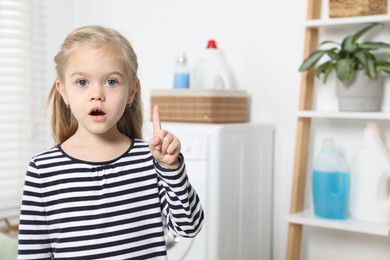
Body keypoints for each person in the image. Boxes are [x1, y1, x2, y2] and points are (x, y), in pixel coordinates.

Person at [18, 25, 204, 259]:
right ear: (63, 91)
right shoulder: (42, 169)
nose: (97, 94)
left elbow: (189, 227)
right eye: (82, 83)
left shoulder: (150, 160)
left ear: (132, 92)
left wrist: (171, 169)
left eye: (112, 82)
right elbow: (32, 254)